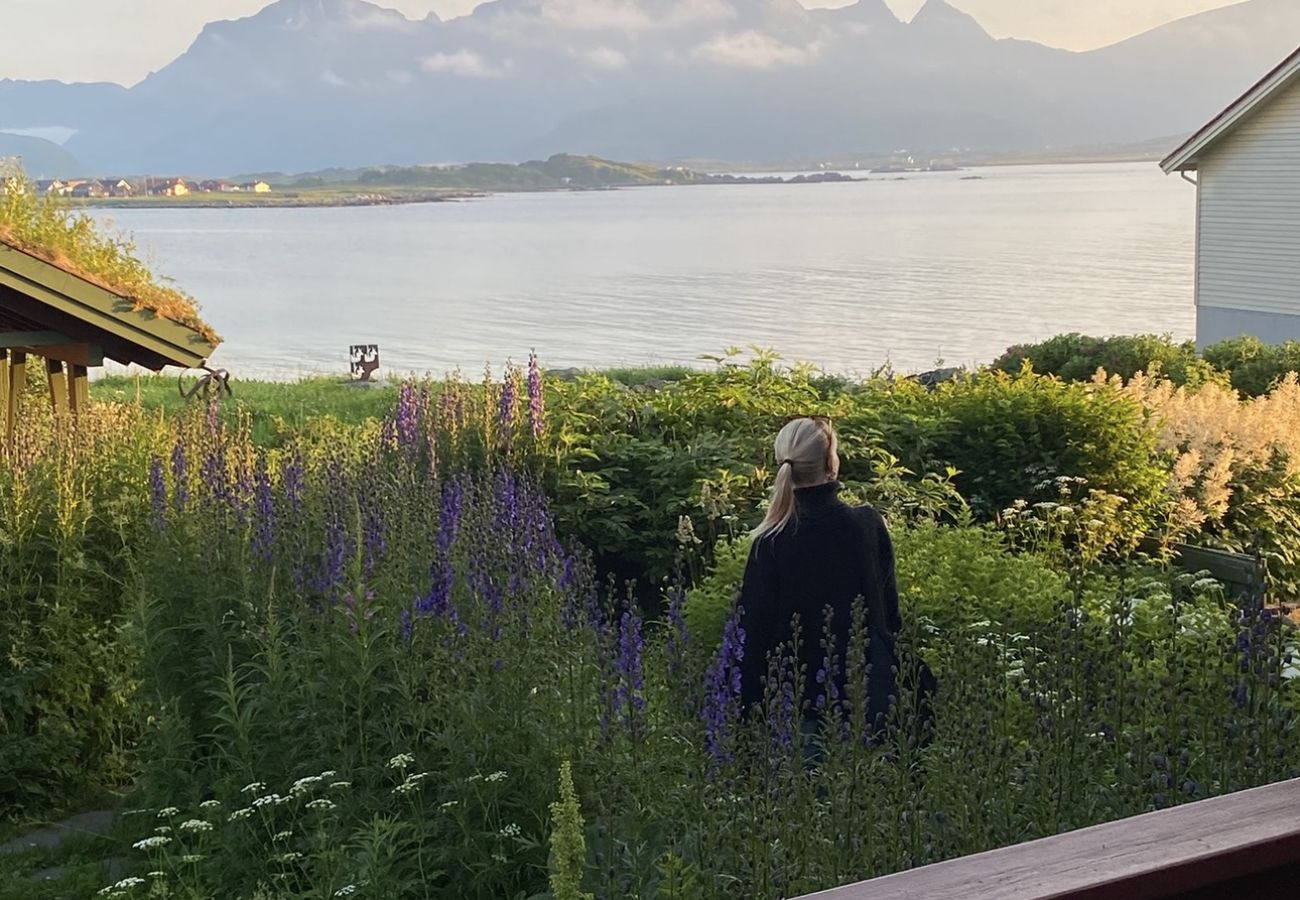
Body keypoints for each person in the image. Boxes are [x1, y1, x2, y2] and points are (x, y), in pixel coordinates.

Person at [737, 416, 902, 741]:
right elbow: (890, 620)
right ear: (831, 463)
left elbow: (752, 633)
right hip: (867, 702)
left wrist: (745, 718)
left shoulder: (771, 542)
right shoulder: (866, 526)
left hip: (792, 710)